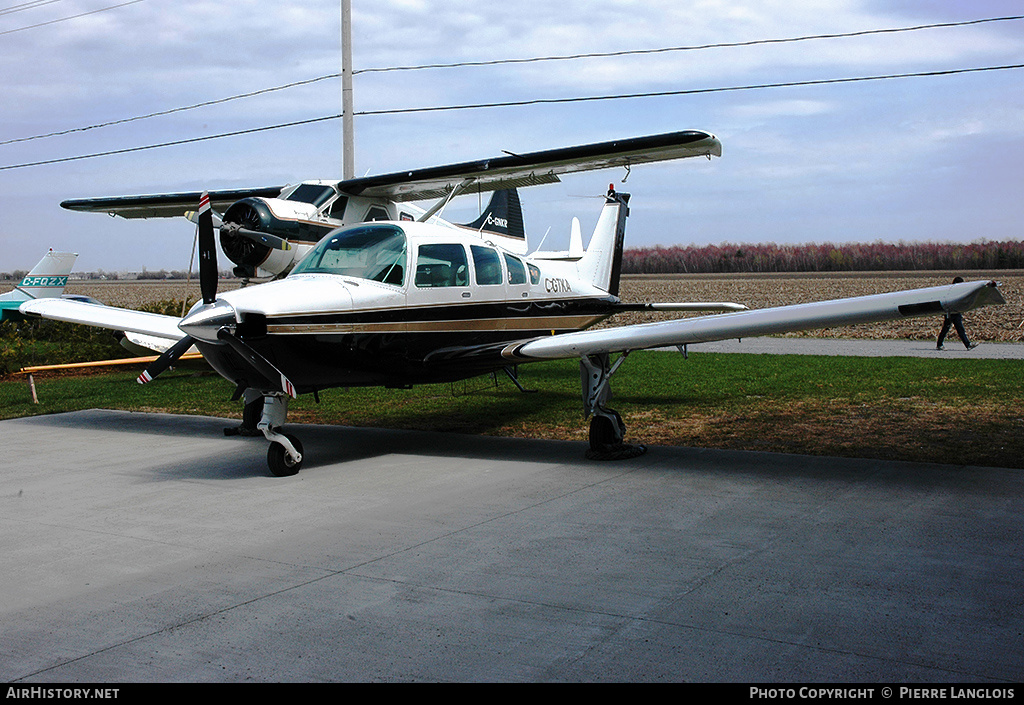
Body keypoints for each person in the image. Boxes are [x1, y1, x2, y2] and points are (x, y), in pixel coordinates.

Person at [937, 277, 978, 350]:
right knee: (952, 329)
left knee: (951, 329)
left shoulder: (952, 290)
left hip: (953, 312)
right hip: (952, 313)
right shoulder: (953, 291)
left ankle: (967, 345)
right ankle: (967, 345)